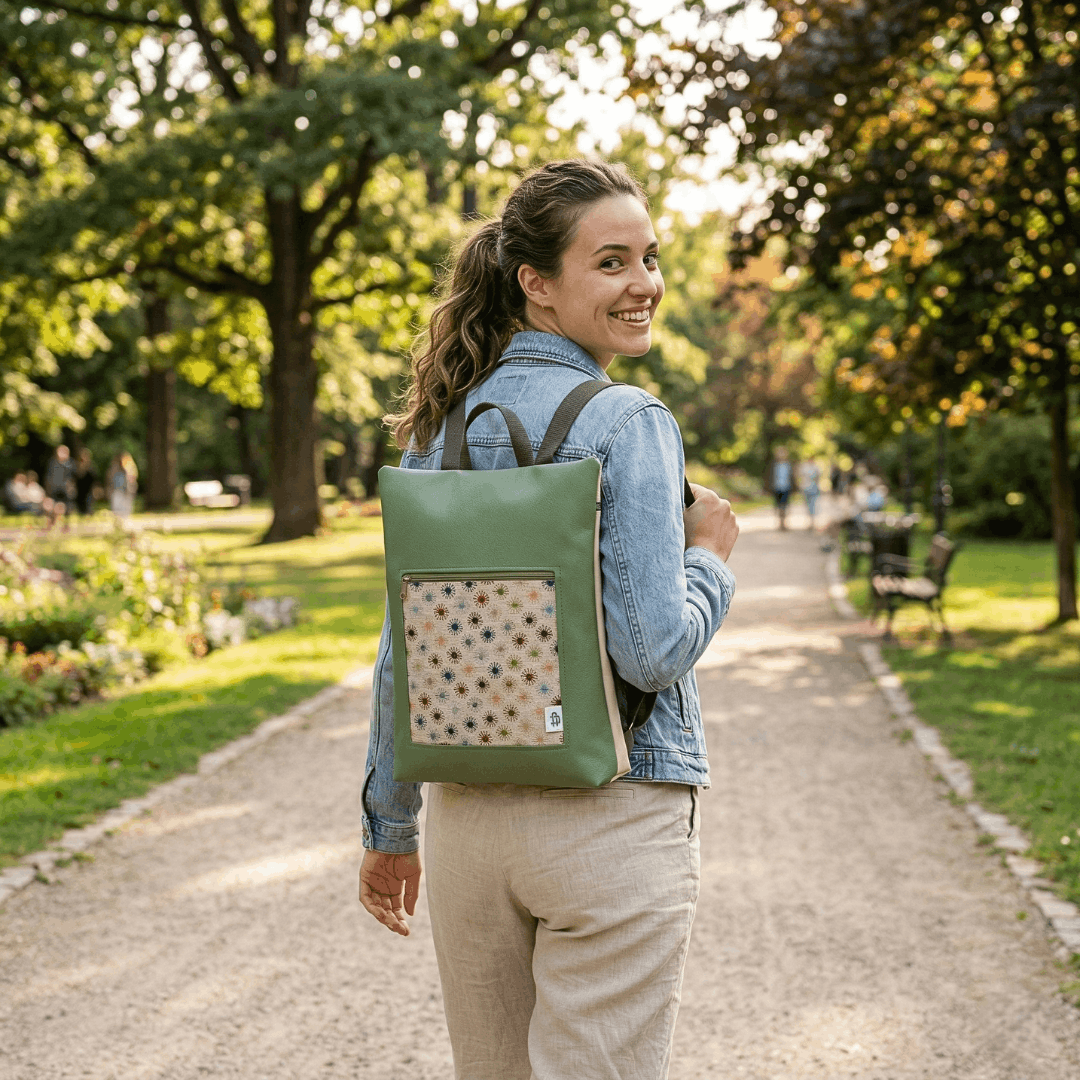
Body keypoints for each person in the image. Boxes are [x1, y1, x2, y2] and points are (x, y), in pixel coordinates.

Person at [358, 160, 739, 1080]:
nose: (643, 283)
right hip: (612, 808)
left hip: (468, 828)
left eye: (649, 259)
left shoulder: (436, 430)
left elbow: (400, 652)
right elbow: (652, 653)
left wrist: (389, 828)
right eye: (611, 262)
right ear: (536, 282)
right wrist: (711, 560)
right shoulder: (624, 419)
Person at [43, 444, 74, 528]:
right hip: (54, 489)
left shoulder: (70, 464)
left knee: (65, 508)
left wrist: (71, 489)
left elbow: (72, 479)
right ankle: (51, 524)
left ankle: (65, 525)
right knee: (51, 507)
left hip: (64, 490)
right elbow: (48, 477)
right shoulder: (52, 463)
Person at [107, 452, 138, 521]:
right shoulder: (114, 469)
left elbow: (132, 482)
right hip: (117, 492)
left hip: (126, 492)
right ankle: (118, 523)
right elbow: (110, 481)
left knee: (126, 511)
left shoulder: (130, 469)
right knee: (117, 510)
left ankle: (124, 523)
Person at [771, 445, 794, 530]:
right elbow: (771, 477)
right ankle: (780, 523)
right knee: (778, 506)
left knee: (785, 506)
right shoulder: (774, 465)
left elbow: (792, 477)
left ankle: (784, 523)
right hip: (777, 488)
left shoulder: (788, 465)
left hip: (786, 488)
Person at [73, 448, 98, 516]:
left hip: (88, 494)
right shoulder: (75, 468)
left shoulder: (91, 469)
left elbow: (94, 483)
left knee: (87, 511)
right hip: (78, 494)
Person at [799, 457, 821, 529]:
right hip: (806, 489)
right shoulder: (805, 468)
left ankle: (812, 521)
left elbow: (818, 478)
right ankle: (810, 520)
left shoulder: (816, 468)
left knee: (813, 505)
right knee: (808, 505)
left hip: (814, 489)